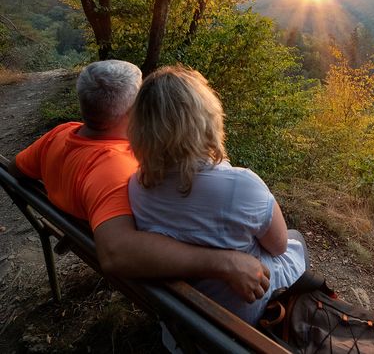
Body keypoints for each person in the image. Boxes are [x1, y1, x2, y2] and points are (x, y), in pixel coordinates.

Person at [8, 60, 269, 303]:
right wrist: (225, 262)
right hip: (173, 296)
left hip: (73, 235)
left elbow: (16, 170)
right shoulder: (116, 169)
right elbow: (115, 254)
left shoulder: (61, 133)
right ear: (134, 111)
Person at [127, 66, 307, 325]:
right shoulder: (240, 185)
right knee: (295, 240)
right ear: (205, 118)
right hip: (241, 323)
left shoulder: (137, 183)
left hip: (184, 326)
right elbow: (278, 246)